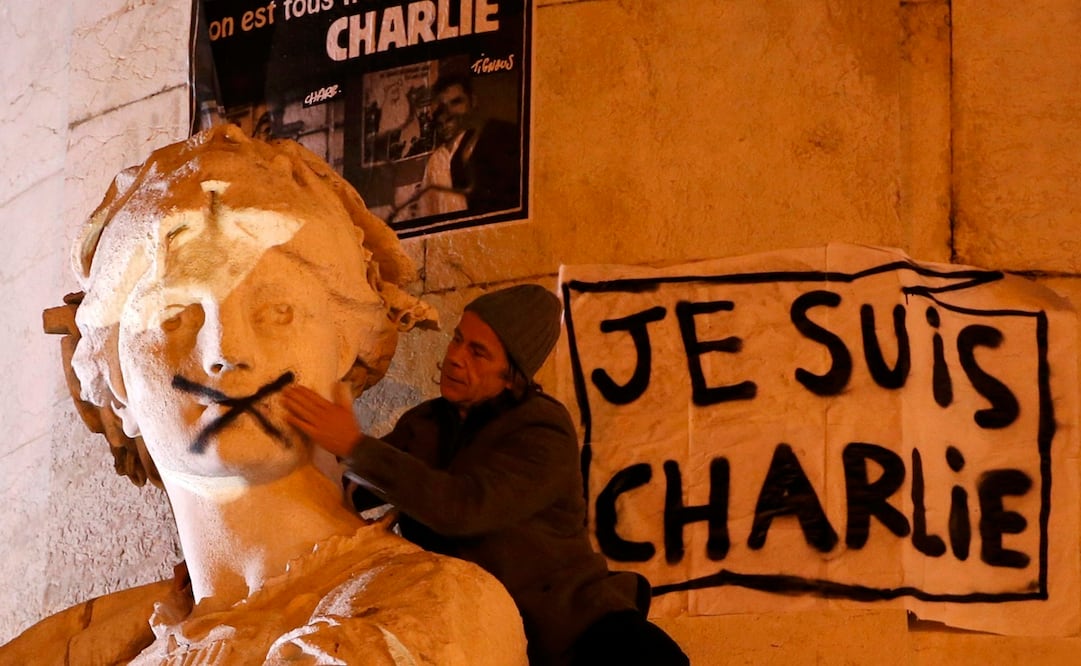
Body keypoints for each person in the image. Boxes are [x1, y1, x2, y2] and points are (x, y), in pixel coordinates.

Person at [1, 125, 528, 665]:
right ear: (114, 380)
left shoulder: (430, 613)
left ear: (344, 348)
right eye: (175, 316)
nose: (226, 349)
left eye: (278, 311)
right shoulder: (84, 648)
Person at [283, 284, 690, 666]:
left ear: (511, 376)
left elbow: (462, 508)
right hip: (482, 630)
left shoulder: (541, 429)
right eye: (459, 338)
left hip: (580, 633)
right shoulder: (426, 423)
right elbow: (352, 493)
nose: (457, 356)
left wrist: (354, 446)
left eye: (479, 352)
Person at [417, 71, 522, 216]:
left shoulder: (496, 136)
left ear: (472, 101)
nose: (449, 112)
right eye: (442, 107)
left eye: (456, 102)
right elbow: (426, 212)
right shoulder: (434, 162)